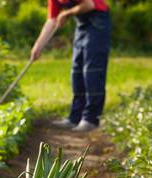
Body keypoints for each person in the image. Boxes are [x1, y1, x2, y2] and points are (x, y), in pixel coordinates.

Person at [31, 0, 111, 132]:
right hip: (82, 25)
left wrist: (67, 13)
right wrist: (38, 46)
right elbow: (52, 20)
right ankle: (75, 117)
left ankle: (90, 119)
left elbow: (89, 4)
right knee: (77, 71)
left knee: (92, 71)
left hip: (98, 21)